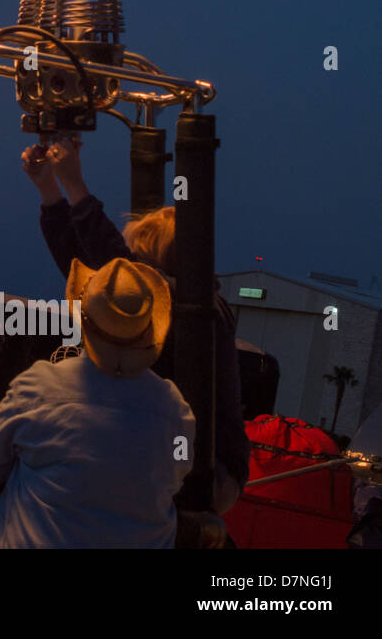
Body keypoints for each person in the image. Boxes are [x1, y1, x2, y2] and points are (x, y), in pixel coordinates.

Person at [21, 136, 250, 511]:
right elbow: (91, 271)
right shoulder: (173, 303)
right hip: (168, 451)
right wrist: (49, 188)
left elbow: (116, 265)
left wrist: (74, 184)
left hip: (205, 469)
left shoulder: (199, 308)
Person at [0, 257, 195, 548]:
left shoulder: (36, 388)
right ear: (148, 329)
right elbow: (180, 468)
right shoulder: (176, 413)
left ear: (83, 320)